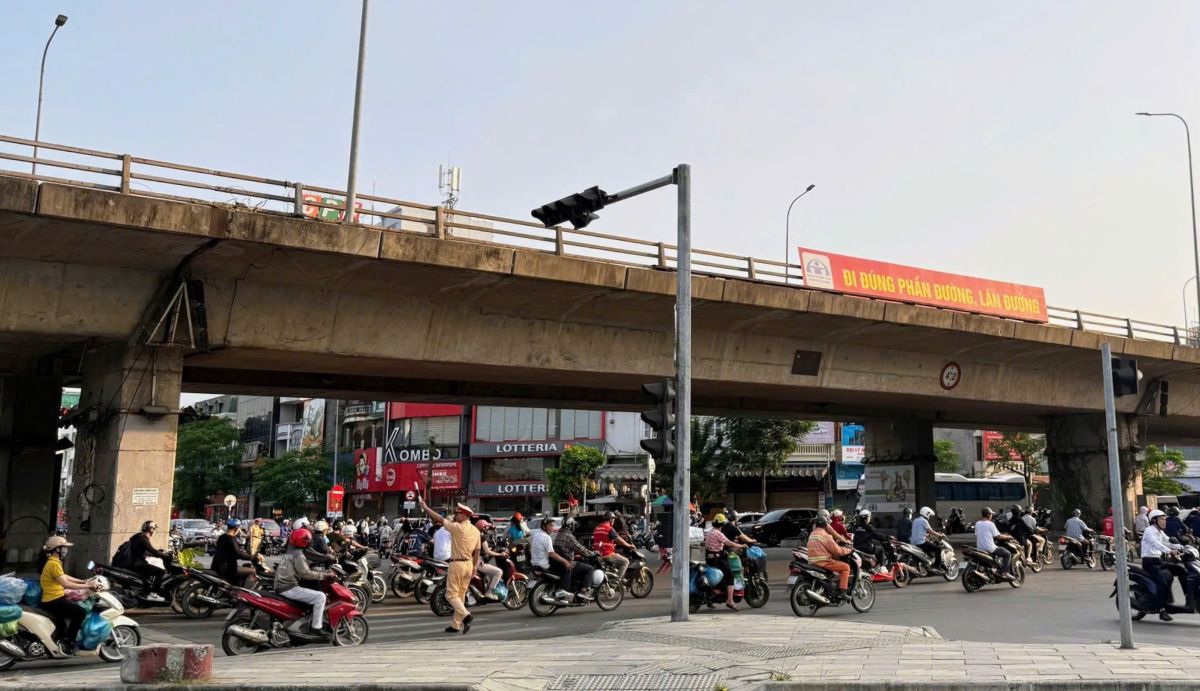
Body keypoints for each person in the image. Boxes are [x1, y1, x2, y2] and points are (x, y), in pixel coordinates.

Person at [418, 496, 481, 635]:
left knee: (451, 595)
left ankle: (466, 615)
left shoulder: (458, 528)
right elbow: (477, 551)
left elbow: (439, 519)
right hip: (469, 564)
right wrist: (475, 566)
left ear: (464, 515)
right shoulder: (476, 531)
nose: (455, 515)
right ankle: (455, 625)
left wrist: (425, 507)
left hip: (457, 564)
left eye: (457, 513)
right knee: (461, 595)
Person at [39, 536, 99, 655]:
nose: (66, 550)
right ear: (57, 549)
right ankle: (69, 642)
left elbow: (64, 576)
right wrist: (88, 586)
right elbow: (65, 583)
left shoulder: (53, 562)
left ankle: (60, 640)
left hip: (52, 599)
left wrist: (82, 581)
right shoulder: (53, 564)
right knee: (80, 612)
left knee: (61, 622)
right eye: (64, 547)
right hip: (53, 600)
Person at [274, 528, 330, 637]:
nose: (309, 541)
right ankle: (316, 628)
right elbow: (306, 573)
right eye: (308, 539)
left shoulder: (291, 551)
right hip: (289, 587)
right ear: (303, 541)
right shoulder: (298, 554)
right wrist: (324, 575)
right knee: (321, 597)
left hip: (281, 585)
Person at [1142, 509, 1183, 621]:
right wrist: (1169, 551)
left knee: (1180, 569)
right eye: (1162, 519)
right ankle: (1161, 610)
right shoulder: (1149, 531)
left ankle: (1187, 598)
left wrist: (1182, 547)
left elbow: (1168, 541)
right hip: (1150, 562)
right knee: (1163, 582)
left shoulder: (1160, 532)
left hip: (1158, 561)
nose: (1165, 522)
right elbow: (1157, 544)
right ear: (1154, 520)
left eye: (1165, 519)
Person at [704, 515, 747, 610]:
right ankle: (730, 601)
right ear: (722, 524)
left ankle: (712, 598)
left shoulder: (710, 532)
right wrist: (741, 546)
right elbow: (729, 543)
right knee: (730, 576)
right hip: (717, 559)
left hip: (709, 559)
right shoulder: (719, 534)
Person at [806, 516, 852, 598]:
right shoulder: (825, 535)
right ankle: (842, 593)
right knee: (846, 567)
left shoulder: (812, 533)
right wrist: (848, 550)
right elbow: (837, 550)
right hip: (823, 562)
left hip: (811, 561)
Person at [530, 517, 574, 601]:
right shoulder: (546, 537)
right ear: (544, 527)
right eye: (550, 526)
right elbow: (552, 554)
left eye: (553, 526)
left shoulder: (535, 535)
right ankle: (563, 591)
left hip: (535, 564)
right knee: (568, 567)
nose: (552, 528)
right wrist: (565, 561)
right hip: (544, 565)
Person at [553, 518, 597, 601]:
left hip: (557, 561)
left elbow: (565, 549)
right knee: (589, 569)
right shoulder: (569, 536)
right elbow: (580, 549)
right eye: (573, 525)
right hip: (567, 562)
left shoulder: (559, 534)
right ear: (571, 526)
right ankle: (583, 592)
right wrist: (593, 553)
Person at [212, 518, 258, 585]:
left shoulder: (222, 537)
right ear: (236, 528)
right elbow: (238, 553)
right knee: (253, 571)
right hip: (227, 568)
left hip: (217, 565)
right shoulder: (230, 539)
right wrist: (252, 557)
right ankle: (242, 593)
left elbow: (232, 552)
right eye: (239, 527)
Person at [129, 520, 168, 597]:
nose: (155, 531)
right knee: (161, 571)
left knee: (149, 571)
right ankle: (154, 593)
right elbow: (153, 550)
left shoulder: (138, 536)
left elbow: (143, 550)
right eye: (154, 529)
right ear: (151, 529)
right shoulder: (143, 539)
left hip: (134, 561)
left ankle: (146, 591)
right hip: (137, 563)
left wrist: (158, 553)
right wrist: (165, 556)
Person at [592, 512, 635, 583]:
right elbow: (620, 540)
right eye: (613, 519)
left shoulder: (597, 528)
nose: (614, 521)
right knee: (625, 561)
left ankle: (614, 573)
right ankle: (616, 582)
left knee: (618, 553)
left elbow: (604, 539)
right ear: (611, 519)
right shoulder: (609, 529)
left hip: (597, 554)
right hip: (607, 554)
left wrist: (614, 543)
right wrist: (629, 545)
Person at [975, 507, 1014, 579]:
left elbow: (981, 534)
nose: (992, 516)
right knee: (1008, 554)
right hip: (990, 548)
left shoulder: (977, 523)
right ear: (988, 515)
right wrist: (1008, 537)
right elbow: (998, 536)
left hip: (979, 548)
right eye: (991, 514)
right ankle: (1005, 573)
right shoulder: (990, 524)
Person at [475, 520, 504, 599]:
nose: (487, 529)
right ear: (483, 528)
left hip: (473, 561)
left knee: (491, 573)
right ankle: (489, 592)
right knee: (499, 572)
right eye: (486, 527)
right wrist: (500, 554)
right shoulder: (481, 537)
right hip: (478, 562)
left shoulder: (474, 535)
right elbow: (487, 551)